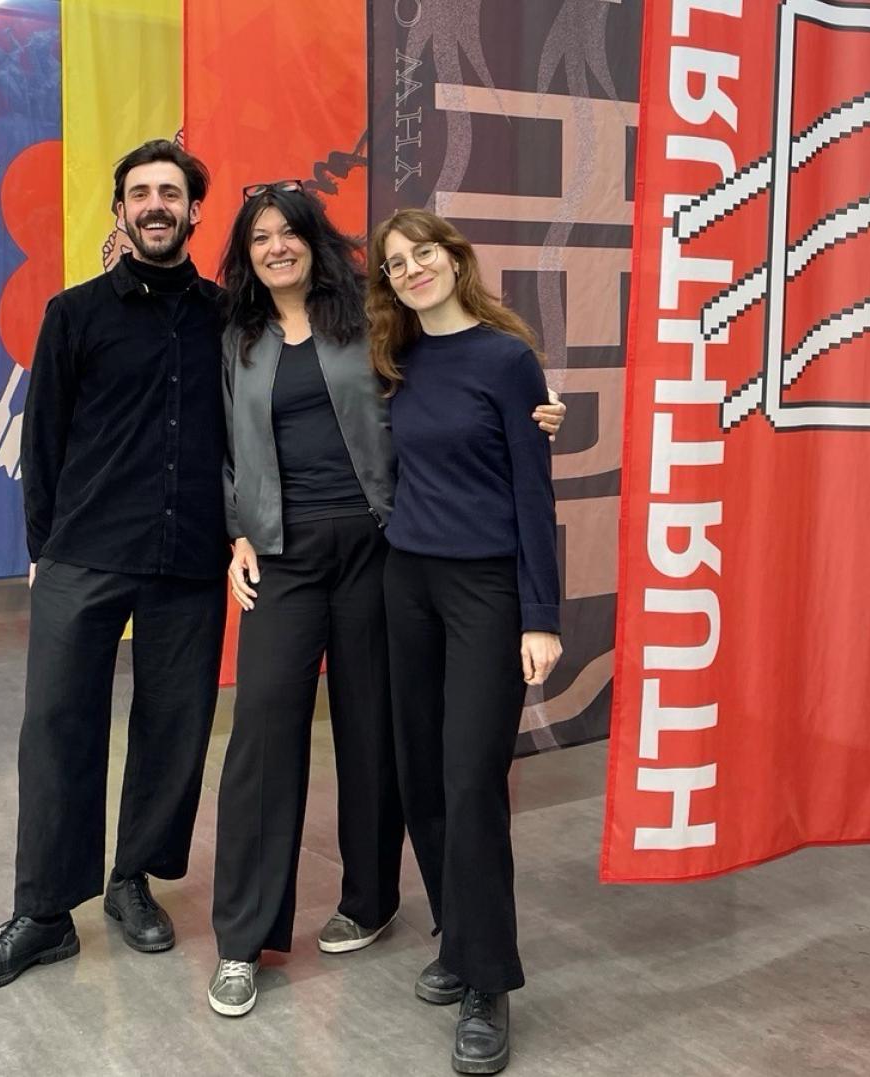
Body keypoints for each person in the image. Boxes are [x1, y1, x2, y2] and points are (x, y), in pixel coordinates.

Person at [206, 186, 568, 1018]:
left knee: (386, 737)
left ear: (315, 242)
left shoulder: (368, 326)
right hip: (295, 552)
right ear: (246, 252)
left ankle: (377, 903)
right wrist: (236, 534)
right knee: (267, 726)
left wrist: (537, 414)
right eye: (260, 237)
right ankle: (242, 938)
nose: (277, 247)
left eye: (290, 232)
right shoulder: (244, 337)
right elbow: (227, 447)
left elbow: (477, 391)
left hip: (381, 542)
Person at [0, 139, 229, 990]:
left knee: (174, 726)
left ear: (193, 212)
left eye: (170, 193)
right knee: (58, 726)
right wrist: (42, 549)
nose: (155, 204)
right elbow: (44, 438)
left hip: (189, 552)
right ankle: (42, 913)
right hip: (84, 551)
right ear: (119, 211)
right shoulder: (73, 314)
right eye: (140, 192)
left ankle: (132, 881)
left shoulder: (226, 316)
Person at [366, 208, 563, 1075]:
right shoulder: (395, 361)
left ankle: (488, 981)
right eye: (396, 263)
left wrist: (541, 615)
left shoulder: (508, 359)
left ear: (455, 258)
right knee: (422, 773)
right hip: (405, 582)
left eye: (423, 254)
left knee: (471, 776)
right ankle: (457, 936)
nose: (412, 270)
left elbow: (532, 494)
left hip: (485, 588)